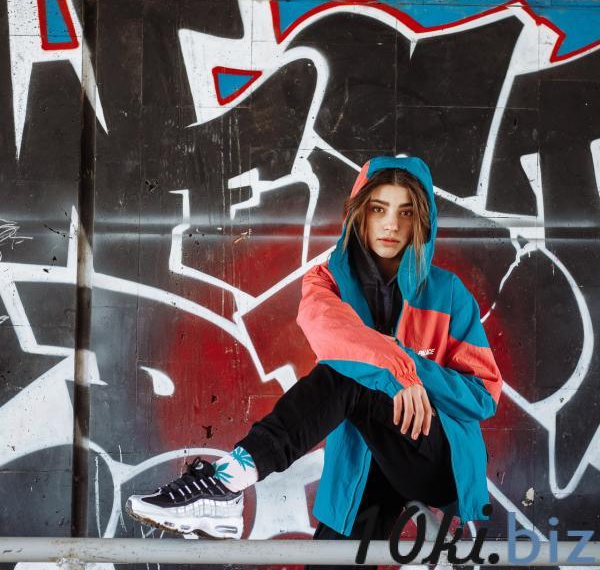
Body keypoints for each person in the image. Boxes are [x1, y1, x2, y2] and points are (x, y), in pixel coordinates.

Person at [126, 156, 503, 562]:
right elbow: (328, 334)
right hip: (361, 463)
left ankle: (230, 479)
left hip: (435, 456)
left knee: (347, 376)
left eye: (406, 212)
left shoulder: (448, 292)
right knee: (331, 560)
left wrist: (411, 372)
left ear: (422, 222)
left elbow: (483, 395)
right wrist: (396, 374)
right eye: (379, 209)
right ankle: (227, 488)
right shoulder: (327, 282)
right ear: (360, 215)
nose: (392, 224)